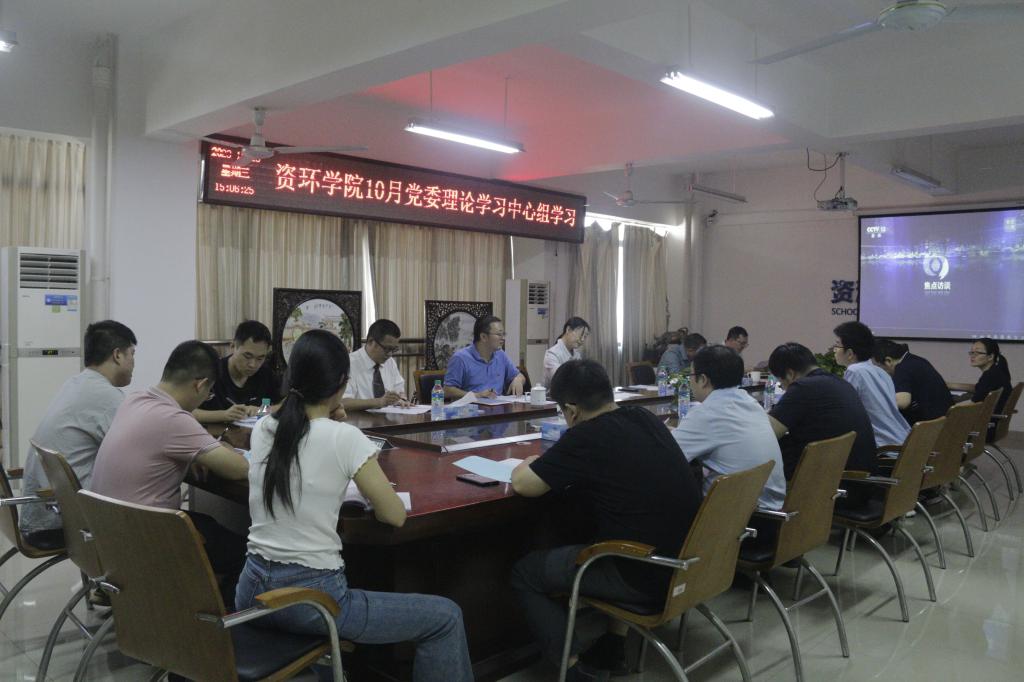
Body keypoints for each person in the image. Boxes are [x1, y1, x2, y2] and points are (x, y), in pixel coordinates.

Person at [235, 330, 473, 682]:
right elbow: (393, 515)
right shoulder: (345, 437)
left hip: (251, 591)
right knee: (445, 617)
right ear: (341, 384)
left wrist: (330, 417)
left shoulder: (264, 428)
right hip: (313, 600)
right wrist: (335, 424)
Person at [510, 360, 702, 681]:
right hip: (688, 562)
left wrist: (528, 462)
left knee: (526, 573)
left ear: (572, 411)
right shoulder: (643, 417)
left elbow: (523, 484)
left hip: (644, 574)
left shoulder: (587, 435)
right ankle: (613, 645)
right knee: (612, 531)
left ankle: (572, 669)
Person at [91, 340, 250, 601]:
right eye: (209, 393)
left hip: (111, 535)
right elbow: (239, 469)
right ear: (200, 384)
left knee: (208, 525)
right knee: (246, 554)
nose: (205, 398)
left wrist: (193, 454)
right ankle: (213, 618)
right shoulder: (174, 419)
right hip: (146, 540)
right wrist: (221, 449)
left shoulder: (136, 400)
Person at [19, 321, 137, 546]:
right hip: (64, 522)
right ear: (117, 355)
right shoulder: (104, 395)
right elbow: (140, 452)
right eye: (132, 354)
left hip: (44, 514)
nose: (134, 362)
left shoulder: (77, 383)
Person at [672, 345, 786, 511]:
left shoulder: (708, 413)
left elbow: (666, 455)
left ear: (703, 379)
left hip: (738, 514)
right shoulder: (750, 402)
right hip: (770, 506)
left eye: (691, 375)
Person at [767, 342, 878, 481]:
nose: (784, 389)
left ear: (790, 374)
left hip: (832, 482)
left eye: (781, 383)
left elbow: (767, 435)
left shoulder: (803, 387)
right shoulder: (839, 382)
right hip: (858, 478)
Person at [832, 322, 910, 447]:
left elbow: (845, 410)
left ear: (850, 353)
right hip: (902, 440)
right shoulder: (880, 371)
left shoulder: (854, 371)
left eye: (837, 345)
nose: (834, 349)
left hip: (881, 445)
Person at [194, 320, 281, 424]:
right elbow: (186, 410)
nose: (253, 365)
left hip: (253, 432)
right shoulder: (212, 372)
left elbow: (286, 403)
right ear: (232, 347)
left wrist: (263, 410)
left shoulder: (265, 374)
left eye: (260, 358)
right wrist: (223, 415)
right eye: (247, 356)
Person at [872, 339, 953, 425]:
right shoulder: (916, 360)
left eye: (878, 367)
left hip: (930, 425)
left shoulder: (902, 368)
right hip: (947, 421)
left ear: (888, 361)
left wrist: (874, 402)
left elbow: (903, 402)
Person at [443, 315, 526, 398]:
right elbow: (447, 390)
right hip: (471, 405)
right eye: (499, 334)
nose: (503, 338)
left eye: (503, 334)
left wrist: (518, 379)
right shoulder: (460, 358)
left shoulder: (501, 355)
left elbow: (519, 376)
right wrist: (476, 395)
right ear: (483, 337)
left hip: (498, 404)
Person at [341, 318, 410, 411]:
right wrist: (379, 402)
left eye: (394, 349)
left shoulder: (389, 362)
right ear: (371, 341)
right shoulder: (349, 363)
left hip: (389, 417)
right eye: (387, 349)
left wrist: (402, 399)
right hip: (359, 418)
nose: (390, 354)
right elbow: (343, 402)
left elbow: (399, 390)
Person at [967, 337, 1013, 437]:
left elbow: (972, 404)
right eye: (971, 352)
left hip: (983, 429)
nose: (973, 356)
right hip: (991, 425)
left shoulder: (990, 376)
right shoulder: (996, 372)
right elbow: (980, 389)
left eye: (978, 353)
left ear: (990, 356)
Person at [544, 316, 589, 385]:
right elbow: (561, 379)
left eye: (585, 336)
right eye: (581, 334)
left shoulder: (577, 355)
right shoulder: (552, 354)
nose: (582, 339)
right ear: (568, 330)